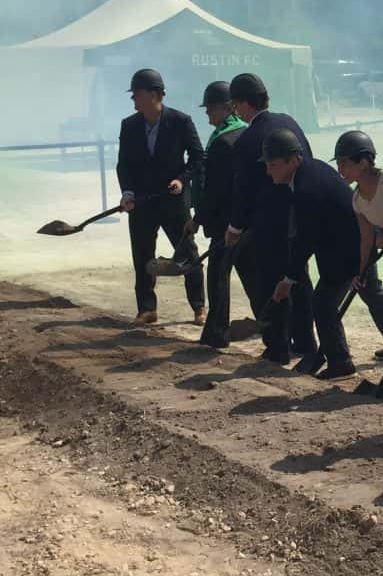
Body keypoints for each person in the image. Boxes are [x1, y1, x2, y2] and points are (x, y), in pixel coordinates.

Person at [224, 73, 315, 360]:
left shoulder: (247, 139)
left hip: (270, 224)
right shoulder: (289, 122)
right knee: (298, 279)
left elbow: (244, 191)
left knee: (269, 282)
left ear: (242, 104)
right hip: (299, 214)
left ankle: (277, 346)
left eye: (236, 106)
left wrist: (235, 227)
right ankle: (304, 342)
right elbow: (307, 162)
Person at [262, 129, 362, 377]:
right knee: (361, 297)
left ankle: (341, 362)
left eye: (273, 165)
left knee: (323, 304)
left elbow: (305, 239)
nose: (268, 171)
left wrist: (288, 279)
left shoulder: (307, 187)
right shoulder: (310, 170)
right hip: (345, 245)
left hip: (348, 248)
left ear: (293, 160)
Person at [116, 68, 205, 326]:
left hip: (173, 202)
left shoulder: (180, 121)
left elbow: (198, 158)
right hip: (141, 202)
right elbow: (124, 165)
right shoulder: (129, 125)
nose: (133, 99)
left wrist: (181, 179)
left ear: (155, 94)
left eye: (137, 94)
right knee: (142, 255)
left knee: (188, 254)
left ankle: (199, 308)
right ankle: (147, 309)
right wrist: (128, 192)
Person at [332, 131, 383, 360]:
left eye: (344, 164)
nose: (340, 170)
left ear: (363, 162)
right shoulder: (357, 199)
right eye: (339, 164)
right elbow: (366, 240)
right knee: (373, 288)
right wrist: (362, 271)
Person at [184, 81, 246, 348]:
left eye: (211, 108)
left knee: (218, 277)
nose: (207, 113)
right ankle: (275, 332)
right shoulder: (239, 133)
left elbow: (216, 189)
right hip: (240, 219)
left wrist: (198, 218)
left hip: (226, 221)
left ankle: (216, 333)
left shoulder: (223, 141)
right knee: (251, 277)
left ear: (227, 107)